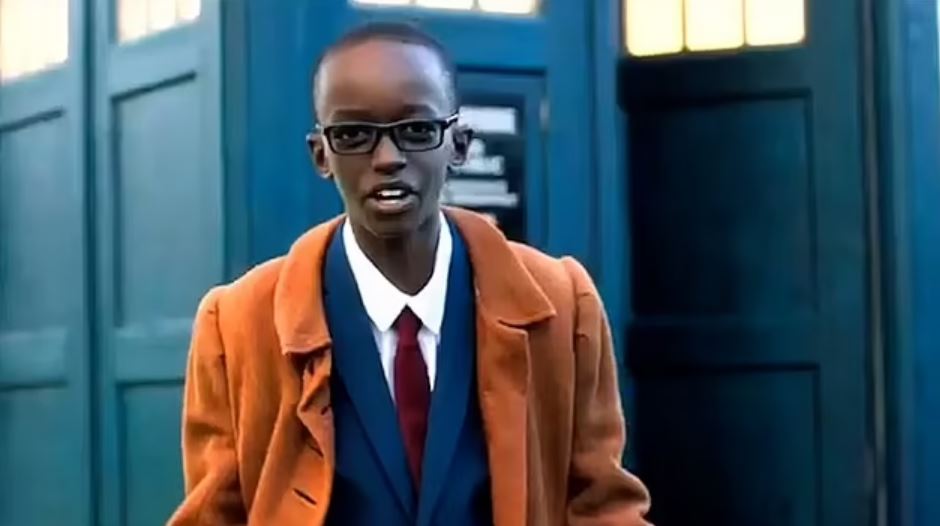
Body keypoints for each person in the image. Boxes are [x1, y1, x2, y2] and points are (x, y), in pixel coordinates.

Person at [169, 21, 651, 526]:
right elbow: (212, 515)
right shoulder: (239, 324)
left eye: (417, 131)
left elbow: (602, 506)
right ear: (321, 156)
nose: (388, 159)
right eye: (353, 135)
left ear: (459, 144)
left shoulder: (560, 304)